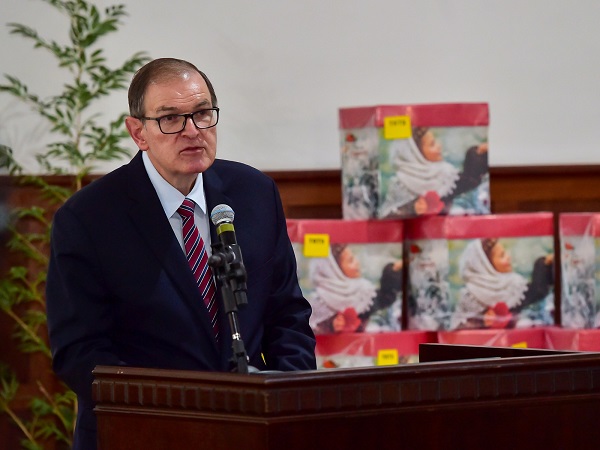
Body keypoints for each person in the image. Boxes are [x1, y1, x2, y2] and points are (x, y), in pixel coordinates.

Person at [45, 58, 316, 450]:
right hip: (142, 434)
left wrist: (287, 403)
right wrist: (173, 410)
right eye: (170, 119)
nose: (192, 131)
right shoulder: (88, 218)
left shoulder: (254, 194)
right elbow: (79, 352)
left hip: (251, 431)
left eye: (202, 113)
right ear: (138, 132)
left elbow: (287, 316)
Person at [379, 127, 488, 218]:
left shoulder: (444, 175)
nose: (439, 145)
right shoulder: (401, 184)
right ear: (416, 154)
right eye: (432, 144)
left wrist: (477, 153)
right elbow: (386, 216)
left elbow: (469, 180)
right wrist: (411, 208)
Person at [451, 238, 554, 329]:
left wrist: (542, 263)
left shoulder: (514, 286)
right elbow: (459, 327)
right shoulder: (470, 297)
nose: (508, 257)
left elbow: (537, 291)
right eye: (502, 256)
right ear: (486, 265)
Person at [307, 243, 402, 334]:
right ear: (334, 270)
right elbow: (313, 328)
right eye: (350, 261)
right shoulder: (320, 302)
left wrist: (392, 272)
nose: (357, 262)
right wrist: (331, 325)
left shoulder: (362, 293)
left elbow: (384, 298)